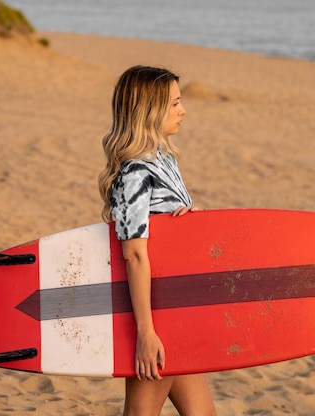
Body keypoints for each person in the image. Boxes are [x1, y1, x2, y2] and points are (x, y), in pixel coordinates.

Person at [98, 65, 217, 416]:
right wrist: (146, 334)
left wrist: (191, 222)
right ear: (149, 111)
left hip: (175, 305)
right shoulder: (135, 173)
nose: (183, 111)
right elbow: (134, 255)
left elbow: (165, 237)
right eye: (175, 104)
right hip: (155, 314)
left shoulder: (164, 160)